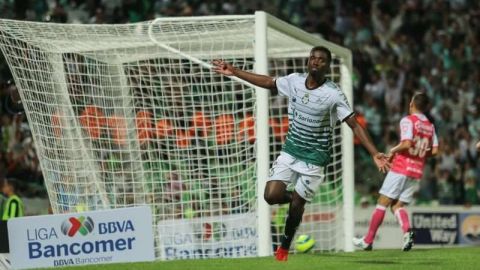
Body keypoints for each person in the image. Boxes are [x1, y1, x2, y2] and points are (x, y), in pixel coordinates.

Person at [213, 46, 390, 261]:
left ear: (327, 65)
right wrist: (235, 71)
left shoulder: (333, 94)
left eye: (321, 60)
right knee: (271, 196)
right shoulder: (294, 81)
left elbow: (354, 124)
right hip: (291, 150)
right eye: (313, 58)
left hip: (315, 157)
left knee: (296, 205)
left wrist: (374, 153)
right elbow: (269, 82)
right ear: (308, 61)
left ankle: (285, 245)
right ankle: (299, 200)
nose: (315, 62)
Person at [353, 92, 438, 251]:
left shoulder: (408, 120)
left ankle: (368, 240)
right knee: (397, 205)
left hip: (401, 167)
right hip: (416, 170)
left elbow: (406, 144)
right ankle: (407, 233)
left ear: (411, 104)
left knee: (382, 202)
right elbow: (434, 151)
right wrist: (418, 152)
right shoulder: (430, 126)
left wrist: (393, 150)